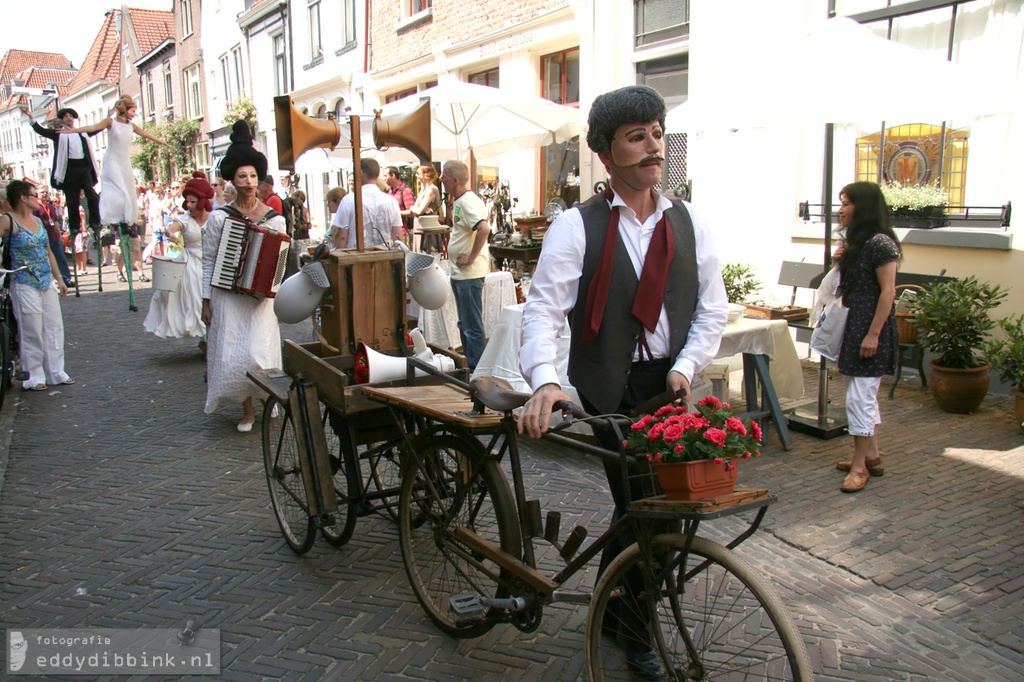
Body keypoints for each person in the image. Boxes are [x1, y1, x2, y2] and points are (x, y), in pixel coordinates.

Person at [517, 85, 729, 681]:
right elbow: (543, 311)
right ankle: (637, 626)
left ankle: (614, 603)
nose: (653, 146)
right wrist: (545, 381)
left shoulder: (690, 221)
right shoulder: (574, 226)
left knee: (655, 508)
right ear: (606, 154)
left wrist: (687, 367)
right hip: (612, 386)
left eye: (657, 133)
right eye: (636, 137)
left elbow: (712, 309)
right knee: (648, 509)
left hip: (672, 385)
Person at [201, 120, 285, 432]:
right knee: (234, 353)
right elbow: (208, 259)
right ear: (232, 180)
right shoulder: (220, 219)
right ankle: (247, 407)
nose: (249, 181)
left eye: (252, 175)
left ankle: (267, 398)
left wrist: (275, 287)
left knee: (259, 350)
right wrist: (205, 301)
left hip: (261, 299)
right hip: (228, 296)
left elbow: (280, 263)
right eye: (242, 176)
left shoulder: (275, 220)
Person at [832, 181, 900, 493]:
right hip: (854, 325)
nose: (841, 209)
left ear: (863, 206)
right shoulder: (858, 244)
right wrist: (839, 262)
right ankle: (872, 456)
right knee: (861, 395)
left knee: (859, 398)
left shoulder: (881, 243)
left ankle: (860, 467)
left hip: (871, 328)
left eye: (846, 203)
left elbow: (888, 292)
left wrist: (873, 334)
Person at [58, 95, 170, 234]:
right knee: (116, 189)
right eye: (133, 111)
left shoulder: (131, 126)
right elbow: (92, 127)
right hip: (112, 160)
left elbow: (146, 134)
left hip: (124, 161)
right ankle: (112, 218)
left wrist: (163, 142)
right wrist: (73, 130)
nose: (135, 114)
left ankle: (126, 221)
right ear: (126, 110)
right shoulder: (110, 122)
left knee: (128, 191)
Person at [0, 180, 72, 390]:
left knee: (53, 326)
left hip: (45, 279)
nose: (37, 198)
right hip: (23, 280)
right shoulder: (8, 221)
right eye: (34, 195)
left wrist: (59, 278)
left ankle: (56, 372)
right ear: (23, 198)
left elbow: (48, 250)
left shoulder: (38, 221)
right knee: (31, 329)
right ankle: (33, 376)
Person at [146, 171, 211, 339]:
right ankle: (203, 332)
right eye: (187, 201)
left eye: (193, 201)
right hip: (191, 261)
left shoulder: (214, 218)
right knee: (196, 292)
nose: (188, 205)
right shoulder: (184, 219)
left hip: (210, 260)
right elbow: (170, 228)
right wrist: (170, 233)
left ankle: (212, 335)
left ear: (202, 202)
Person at [440, 160, 491, 371]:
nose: (441, 179)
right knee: (466, 325)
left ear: (454, 180)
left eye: (444, 176)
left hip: (469, 274)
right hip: (462, 274)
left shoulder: (468, 201)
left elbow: (484, 229)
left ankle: (477, 372)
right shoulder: (461, 200)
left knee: (472, 327)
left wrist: (470, 257)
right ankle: (472, 369)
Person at [30, 108, 101, 239]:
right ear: (62, 119)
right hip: (70, 169)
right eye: (66, 116)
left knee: (93, 196)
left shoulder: (82, 133)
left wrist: (108, 118)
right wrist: (31, 118)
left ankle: (95, 222)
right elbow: (42, 131)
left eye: (71, 116)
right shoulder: (59, 134)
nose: (69, 118)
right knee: (72, 200)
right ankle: (75, 227)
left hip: (84, 167)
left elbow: (96, 129)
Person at [331, 158, 402, 250]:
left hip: (356, 258)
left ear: (360, 173)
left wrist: (339, 258)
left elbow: (341, 236)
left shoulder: (349, 200)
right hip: (384, 258)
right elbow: (397, 236)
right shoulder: (391, 201)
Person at [33, 186, 73, 287]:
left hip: (53, 237)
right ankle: (49, 280)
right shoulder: (35, 207)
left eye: (46, 192)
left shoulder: (50, 207)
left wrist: (59, 235)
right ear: (37, 194)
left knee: (60, 258)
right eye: (42, 192)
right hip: (42, 238)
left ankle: (66, 279)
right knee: (45, 259)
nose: (44, 194)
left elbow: (55, 222)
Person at [385, 166, 415, 236]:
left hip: (402, 231)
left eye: (385, 176)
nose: (384, 178)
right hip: (388, 231)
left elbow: (412, 212)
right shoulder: (388, 191)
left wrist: (395, 213)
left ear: (393, 175)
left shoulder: (405, 191)